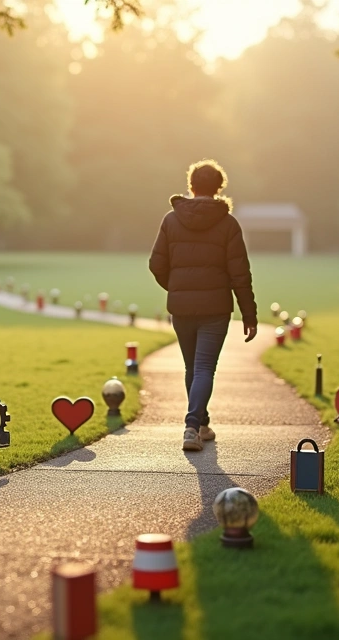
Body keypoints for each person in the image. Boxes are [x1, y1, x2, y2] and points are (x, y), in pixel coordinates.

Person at [148, 159, 258, 452]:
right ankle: (192, 426)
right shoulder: (228, 224)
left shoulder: (171, 220)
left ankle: (202, 423)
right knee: (204, 367)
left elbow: (156, 264)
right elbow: (240, 274)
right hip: (215, 309)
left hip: (182, 308)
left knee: (192, 367)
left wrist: (177, 288)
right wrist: (249, 314)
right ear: (219, 188)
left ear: (191, 186)